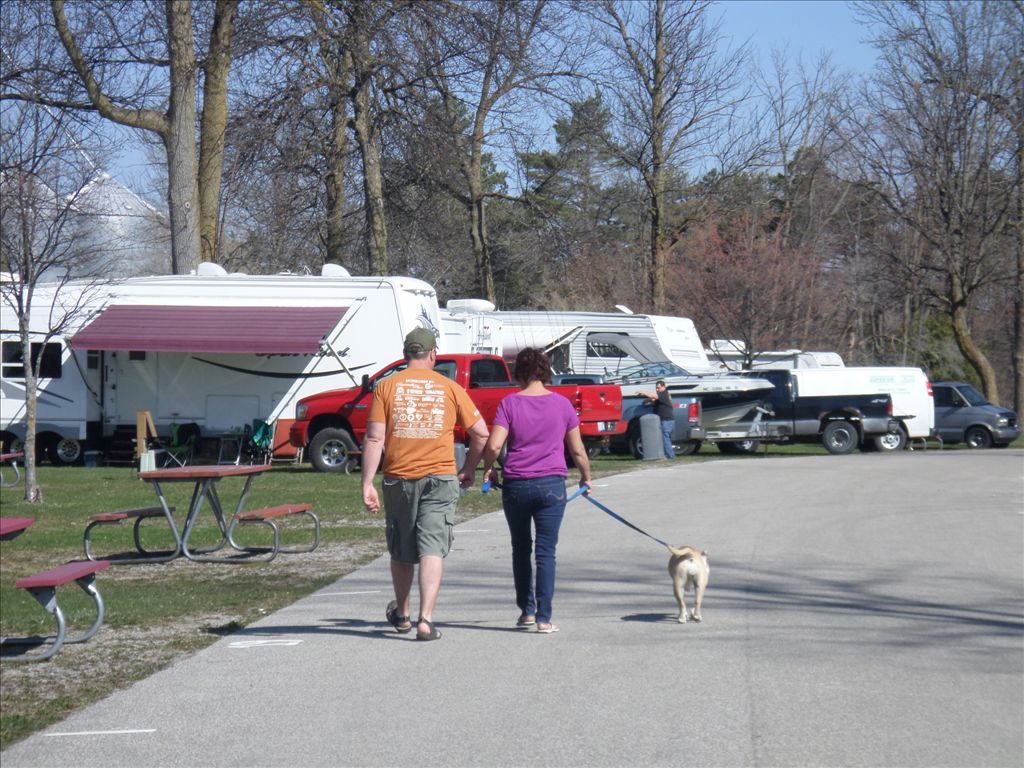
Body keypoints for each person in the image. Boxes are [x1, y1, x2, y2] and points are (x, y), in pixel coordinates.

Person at [361, 327, 488, 641]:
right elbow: (481, 433)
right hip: (440, 477)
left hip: (398, 478)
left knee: (402, 549)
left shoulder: (385, 387)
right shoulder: (450, 387)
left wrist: (367, 483)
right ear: (433, 355)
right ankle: (425, 621)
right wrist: (469, 468)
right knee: (432, 547)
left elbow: (375, 438)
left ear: (406, 356)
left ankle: (402, 614)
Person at [480, 348, 593, 634]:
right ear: (545, 371)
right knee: (546, 552)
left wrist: (488, 469)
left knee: (520, 548)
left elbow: (493, 445)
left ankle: (526, 611)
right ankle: (544, 618)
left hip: (516, 484)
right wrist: (586, 477)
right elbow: (577, 449)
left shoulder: (509, 403)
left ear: (519, 373)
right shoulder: (562, 404)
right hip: (551, 485)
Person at [637, 379, 675, 459]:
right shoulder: (660, 395)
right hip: (662, 420)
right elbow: (652, 399)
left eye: (658, 388)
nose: (657, 389)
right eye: (656, 388)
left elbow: (653, 396)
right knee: (663, 438)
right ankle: (667, 454)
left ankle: (671, 456)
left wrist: (644, 392)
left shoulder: (664, 394)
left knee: (665, 438)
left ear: (663, 387)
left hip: (667, 420)